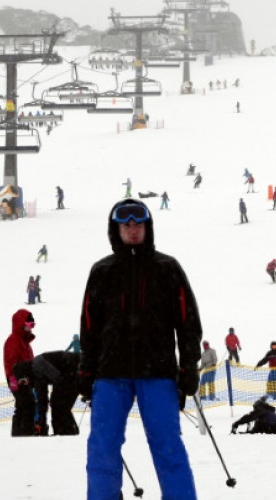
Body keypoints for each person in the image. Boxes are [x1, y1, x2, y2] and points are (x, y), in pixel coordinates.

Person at [76, 198, 202, 500]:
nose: (133, 230)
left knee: (167, 445)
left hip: (157, 372)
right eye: (126, 225)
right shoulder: (102, 271)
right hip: (110, 374)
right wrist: (86, 369)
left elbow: (188, 322)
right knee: (102, 447)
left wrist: (188, 366)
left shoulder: (167, 268)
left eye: (138, 225)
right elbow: (90, 326)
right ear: (116, 229)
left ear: (147, 227)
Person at [14, 351, 81, 436]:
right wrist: (41, 423)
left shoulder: (37, 366)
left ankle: (65, 433)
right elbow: (43, 400)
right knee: (60, 406)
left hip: (75, 369)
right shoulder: (36, 372)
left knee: (59, 405)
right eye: (23, 383)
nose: (26, 384)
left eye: (24, 381)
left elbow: (58, 379)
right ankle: (67, 432)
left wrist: (42, 422)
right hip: (73, 372)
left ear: (25, 373)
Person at [4, 309, 37, 436]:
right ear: (21, 324)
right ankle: (25, 433)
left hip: (26, 379)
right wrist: (13, 379)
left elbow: (31, 363)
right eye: (29, 325)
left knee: (23, 406)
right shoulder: (14, 340)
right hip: (18, 379)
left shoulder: (25, 343)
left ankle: (19, 434)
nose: (31, 328)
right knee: (28, 405)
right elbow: (10, 362)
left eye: (33, 325)